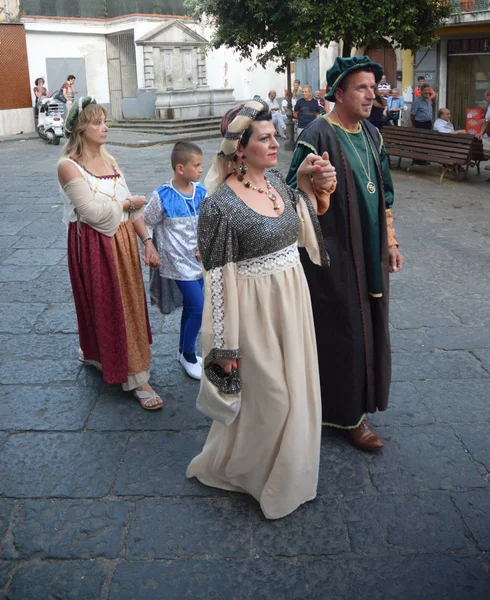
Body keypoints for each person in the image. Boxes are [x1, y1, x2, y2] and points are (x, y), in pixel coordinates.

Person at [186, 98, 337, 519]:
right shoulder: (218, 207)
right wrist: (223, 347)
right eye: (265, 138)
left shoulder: (280, 188)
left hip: (293, 303)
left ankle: (283, 475)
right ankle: (247, 470)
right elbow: (216, 283)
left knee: (296, 391)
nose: (276, 144)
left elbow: (301, 227)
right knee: (274, 397)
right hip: (252, 311)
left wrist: (310, 184)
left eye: (276, 137)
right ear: (240, 148)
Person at [286, 56, 403, 452]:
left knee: (370, 326)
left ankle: (359, 404)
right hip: (333, 255)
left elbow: (383, 192)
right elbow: (290, 192)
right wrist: (314, 183)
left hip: (370, 252)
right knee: (345, 332)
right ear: (340, 93)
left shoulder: (372, 133)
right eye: (362, 88)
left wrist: (389, 242)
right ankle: (346, 415)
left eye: (374, 87)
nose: (372, 95)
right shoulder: (317, 133)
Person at [57, 96, 163, 410]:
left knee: (127, 304)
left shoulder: (111, 160)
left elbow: (130, 207)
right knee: (105, 305)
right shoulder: (68, 166)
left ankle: (103, 356)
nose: (104, 128)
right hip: (93, 244)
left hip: (123, 242)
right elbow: (91, 213)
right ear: (79, 127)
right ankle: (136, 378)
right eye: (96, 122)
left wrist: (147, 241)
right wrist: (130, 205)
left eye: (104, 121)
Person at [143, 142, 207, 380]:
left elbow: (207, 223)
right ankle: (190, 354)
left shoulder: (202, 192)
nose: (201, 169)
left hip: (198, 262)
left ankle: (183, 351)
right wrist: (149, 244)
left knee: (192, 308)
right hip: (177, 264)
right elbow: (144, 220)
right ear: (180, 168)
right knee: (199, 307)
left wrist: (204, 244)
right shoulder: (163, 195)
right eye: (196, 165)